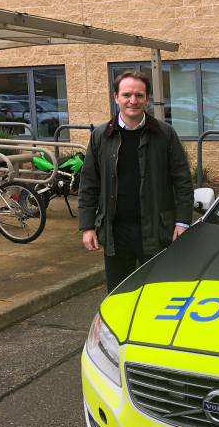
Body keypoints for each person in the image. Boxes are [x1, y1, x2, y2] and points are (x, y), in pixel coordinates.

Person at [78, 70, 194, 293]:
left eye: (139, 95)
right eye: (127, 94)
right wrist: (87, 226)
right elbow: (89, 184)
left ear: (147, 99)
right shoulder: (101, 135)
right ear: (116, 98)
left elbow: (183, 181)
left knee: (159, 294)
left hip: (158, 231)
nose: (133, 100)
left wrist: (182, 222)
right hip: (115, 232)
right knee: (119, 294)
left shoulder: (165, 133)